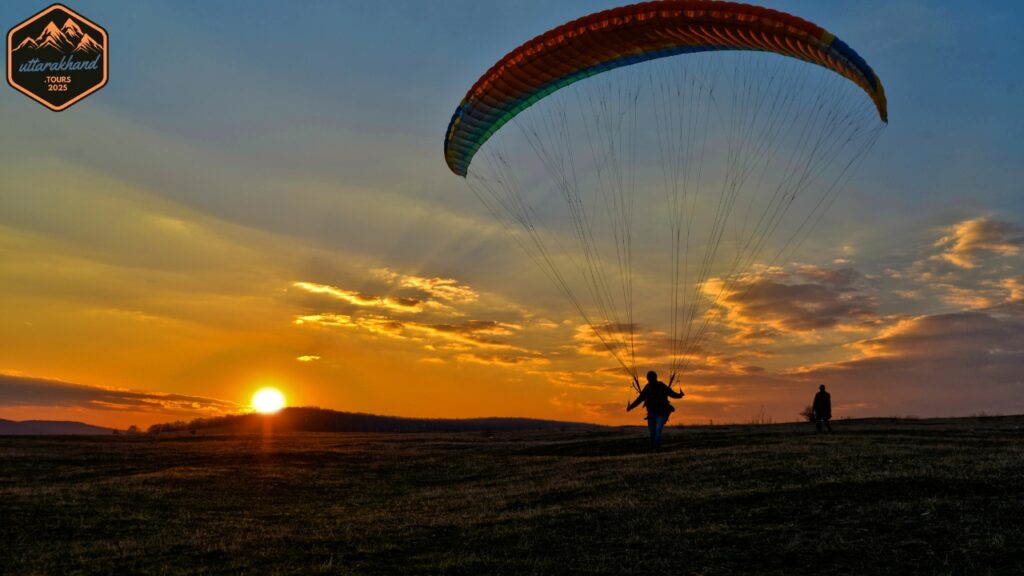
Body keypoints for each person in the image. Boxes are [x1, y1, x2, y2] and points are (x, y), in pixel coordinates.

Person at [627, 371, 684, 450]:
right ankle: (654, 448)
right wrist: (631, 407)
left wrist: (679, 395)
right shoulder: (648, 388)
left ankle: (656, 448)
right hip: (652, 414)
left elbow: (671, 393)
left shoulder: (661, 386)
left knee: (657, 431)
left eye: (651, 378)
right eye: (650, 378)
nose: (650, 380)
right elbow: (640, 399)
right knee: (653, 433)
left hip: (661, 413)